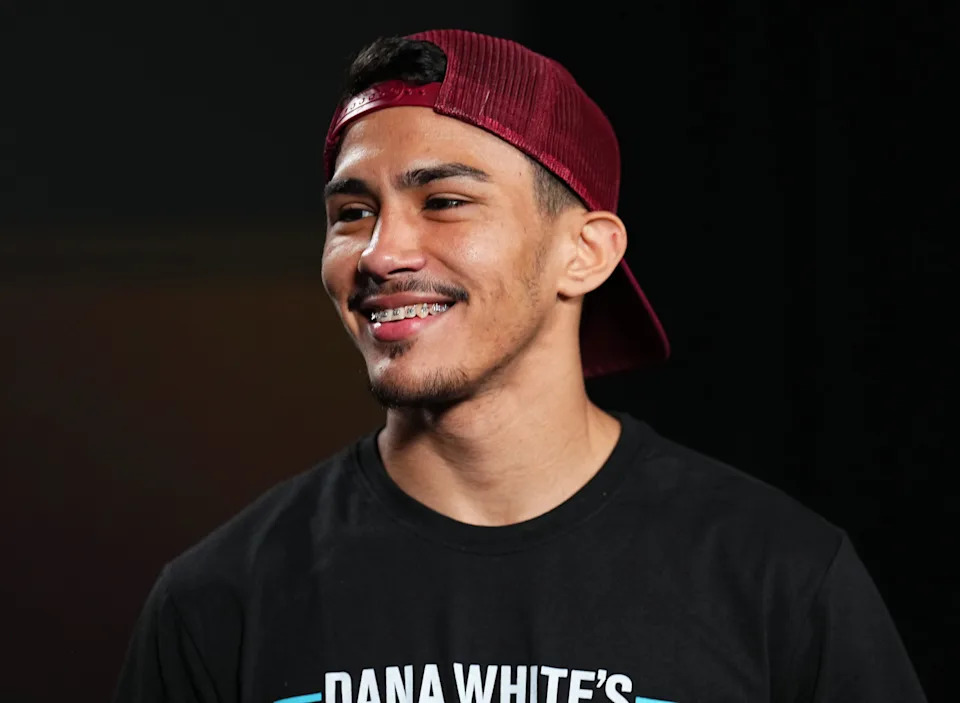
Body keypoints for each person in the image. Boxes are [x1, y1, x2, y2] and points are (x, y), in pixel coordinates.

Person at [114, 29, 926, 703]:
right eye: (352, 212)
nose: (381, 253)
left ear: (586, 252)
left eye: (445, 201)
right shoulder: (220, 600)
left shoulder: (783, 578)